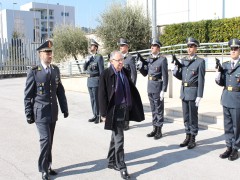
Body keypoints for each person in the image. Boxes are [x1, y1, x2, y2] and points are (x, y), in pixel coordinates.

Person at [24, 40, 69, 180]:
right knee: (45, 140)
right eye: (47, 52)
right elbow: (28, 95)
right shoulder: (34, 72)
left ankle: (48, 165)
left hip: (53, 111)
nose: (50, 55)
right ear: (40, 54)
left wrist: (64, 108)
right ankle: (43, 168)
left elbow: (59, 91)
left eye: (51, 52)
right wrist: (28, 113)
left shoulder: (55, 70)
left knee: (50, 140)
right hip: (40, 112)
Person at [99, 51, 145, 179]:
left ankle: (111, 161)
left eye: (122, 60)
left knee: (115, 137)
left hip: (125, 109)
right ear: (112, 61)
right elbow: (101, 95)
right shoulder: (106, 74)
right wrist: (103, 113)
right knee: (119, 138)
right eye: (118, 60)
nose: (121, 62)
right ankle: (122, 166)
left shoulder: (124, 71)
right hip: (114, 110)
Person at [172, 37, 205, 149]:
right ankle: (187, 135)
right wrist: (175, 71)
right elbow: (181, 77)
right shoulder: (184, 60)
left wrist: (199, 95)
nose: (189, 48)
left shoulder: (200, 62)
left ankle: (193, 138)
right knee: (186, 116)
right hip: (184, 92)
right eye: (188, 46)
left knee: (193, 116)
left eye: (191, 46)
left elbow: (201, 79)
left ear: (196, 48)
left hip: (193, 92)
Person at [137, 38, 168, 140]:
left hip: (158, 86)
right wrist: (141, 66)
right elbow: (145, 74)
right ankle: (154, 128)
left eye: (154, 46)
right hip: (150, 86)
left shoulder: (162, 59)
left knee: (159, 109)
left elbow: (165, 76)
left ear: (158, 48)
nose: (152, 47)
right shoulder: (149, 59)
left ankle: (159, 130)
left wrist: (163, 90)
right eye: (151, 46)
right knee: (153, 109)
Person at [215, 38, 240, 161]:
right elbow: (220, 82)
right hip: (226, 98)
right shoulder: (224, 65)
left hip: (237, 99)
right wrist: (218, 73)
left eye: (236, 49)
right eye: (231, 49)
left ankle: (236, 148)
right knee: (228, 125)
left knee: (237, 126)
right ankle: (228, 147)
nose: (233, 51)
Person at [118, 38, 137, 130]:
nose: (121, 47)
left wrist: (132, 87)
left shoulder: (130, 58)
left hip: (127, 85)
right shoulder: (119, 58)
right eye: (120, 46)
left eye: (122, 45)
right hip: (119, 85)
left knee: (126, 105)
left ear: (126, 46)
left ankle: (126, 122)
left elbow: (134, 73)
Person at [83, 39, 104, 124]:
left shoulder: (99, 57)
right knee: (92, 99)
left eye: (92, 46)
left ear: (95, 47)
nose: (90, 47)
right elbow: (84, 69)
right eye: (90, 46)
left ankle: (99, 116)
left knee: (96, 99)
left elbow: (102, 71)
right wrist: (86, 61)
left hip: (96, 80)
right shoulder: (89, 57)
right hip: (89, 80)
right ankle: (94, 115)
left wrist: (102, 82)